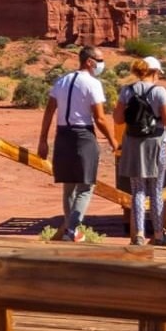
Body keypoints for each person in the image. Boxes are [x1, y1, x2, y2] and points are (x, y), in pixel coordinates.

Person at [37, 46, 117, 241]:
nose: (101, 64)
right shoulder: (93, 83)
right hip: (83, 136)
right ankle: (72, 230)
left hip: (62, 136)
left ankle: (69, 230)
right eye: (99, 60)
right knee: (86, 186)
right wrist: (113, 140)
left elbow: (49, 111)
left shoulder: (61, 81)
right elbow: (99, 118)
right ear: (89, 61)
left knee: (69, 187)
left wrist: (43, 140)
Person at [114, 56, 166, 246]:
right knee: (156, 188)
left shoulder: (127, 90)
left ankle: (139, 233)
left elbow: (117, 119)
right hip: (156, 142)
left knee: (138, 189)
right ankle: (158, 234)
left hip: (132, 143)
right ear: (155, 72)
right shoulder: (159, 92)